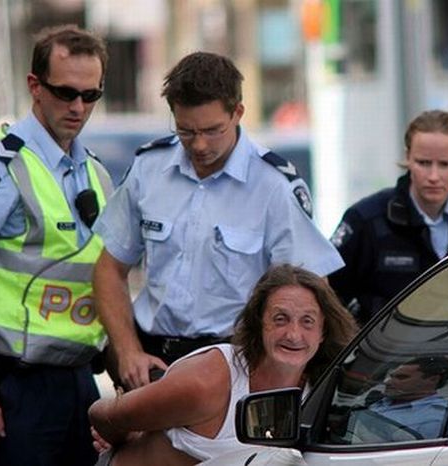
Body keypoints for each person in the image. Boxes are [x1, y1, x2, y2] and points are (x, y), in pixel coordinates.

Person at [92, 51, 344, 390]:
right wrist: (127, 351)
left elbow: (311, 290)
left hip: (232, 366)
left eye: (213, 130)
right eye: (185, 131)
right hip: (154, 361)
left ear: (238, 112)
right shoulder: (149, 168)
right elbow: (109, 268)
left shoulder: (274, 186)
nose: (198, 145)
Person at [0, 24, 111, 465]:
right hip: (13, 385)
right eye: (65, 92)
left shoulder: (95, 173)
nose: (78, 107)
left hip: (78, 382)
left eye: (90, 96)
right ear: (35, 86)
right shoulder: (1, 168)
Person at [88, 264, 357, 465]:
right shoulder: (208, 381)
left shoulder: (325, 394)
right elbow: (103, 415)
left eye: (307, 321)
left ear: (323, 331)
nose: (294, 334)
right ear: (258, 324)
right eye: (280, 319)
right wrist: (121, 435)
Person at [328, 110, 448, 325]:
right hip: (380, 354)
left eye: (445, 164)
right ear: (408, 158)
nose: (433, 176)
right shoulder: (365, 220)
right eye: (423, 163)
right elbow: (328, 294)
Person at [367, 357, 448, 440]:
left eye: (401, 377)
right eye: (391, 376)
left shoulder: (435, 418)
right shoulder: (381, 400)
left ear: (433, 380)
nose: (387, 382)